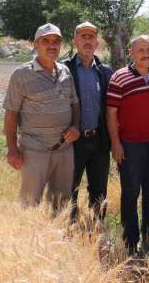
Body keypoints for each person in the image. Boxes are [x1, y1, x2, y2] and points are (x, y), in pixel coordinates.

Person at [3, 23, 80, 210]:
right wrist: (12, 149)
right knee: (29, 204)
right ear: (36, 45)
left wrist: (75, 126)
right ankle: (27, 238)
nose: (51, 45)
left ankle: (54, 238)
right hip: (34, 151)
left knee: (60, 203)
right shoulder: (21, 74)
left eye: (56, 41)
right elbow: (11, 113)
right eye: (45, 41)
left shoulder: (65, 71)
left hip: (64, 150)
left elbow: (74, 103)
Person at [106, 35, 149, 256]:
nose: (146, 53)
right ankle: (130, 240)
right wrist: (116, 143)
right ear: (131, 53)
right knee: (131, 193)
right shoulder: (119, 77)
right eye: (141, 50)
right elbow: (111, 114)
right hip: (130, 146)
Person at [64, 21, 113, 223]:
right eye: (83, 36)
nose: (87, 40)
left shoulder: (105, 72)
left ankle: (97, 231)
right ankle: (68, 229)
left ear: (97, 42)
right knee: (69, 188)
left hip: (99, 141)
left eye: (91, 36)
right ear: (74, 41)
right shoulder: (63, 70)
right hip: (72, 142)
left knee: (99, 190)